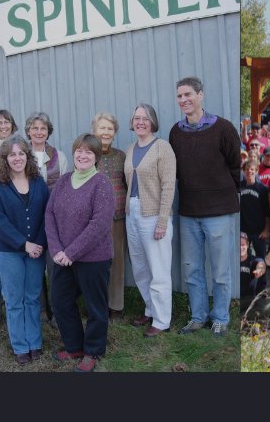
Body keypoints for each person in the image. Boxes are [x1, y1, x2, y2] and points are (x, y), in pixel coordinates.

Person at [168, 76, 241, 337]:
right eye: (179, 96)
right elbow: (176, 171)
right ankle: (197, 316)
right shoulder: (176, 132)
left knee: (221, 271)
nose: (184, 100)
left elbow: (236, 167)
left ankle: (220, 316)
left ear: (201, 95)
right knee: (192, 269)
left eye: (188, 94)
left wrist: (223, 194)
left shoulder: (223, 128)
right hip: (188, 212)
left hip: (219, 211)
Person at [44, 134, 116, 372]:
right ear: (73, 153)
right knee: (61, 302)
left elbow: (99, 224)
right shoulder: (63, 182)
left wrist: (71, 252)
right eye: (79, 151)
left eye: (89, 152)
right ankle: (74, 345)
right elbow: (50, 215)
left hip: (93, 258)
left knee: (96, 307)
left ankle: (93, 350)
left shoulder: (101, 184)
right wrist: (56, 249)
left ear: (96, 157)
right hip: (62, 257)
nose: (83, 155)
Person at [0, 136, 49, 364]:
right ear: (5, 159)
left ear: (27, 156)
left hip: (37, 250)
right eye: (12, 154)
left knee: (32, 298)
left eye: (21, 153)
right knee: (14, 300)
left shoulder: (38, 182)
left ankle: (34, 342)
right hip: (9, 251)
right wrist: (24, 244)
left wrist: (39, 244)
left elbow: (47, 215)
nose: (17, 158)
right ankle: (20, 346)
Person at [122, 103, 177, 337]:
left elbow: (168, 186)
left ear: (153, 121)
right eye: (136, 118)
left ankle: (162, 320)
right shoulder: (130, 149)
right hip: (131, 211)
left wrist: (162, 220)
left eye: (145, 118)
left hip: (153, 213)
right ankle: (150, 308)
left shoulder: (162, 148)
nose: (140, 121)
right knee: (141, 268)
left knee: (158, 268)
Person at [91, 112, 130, 320]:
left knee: (117, 262)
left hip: (118, 218)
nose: (105, 132)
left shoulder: (121, 156)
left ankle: (116, 306)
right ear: (94, 131)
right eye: (102, 128)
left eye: (109, 128)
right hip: (94, 220)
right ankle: (97, 304)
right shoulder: (87, 154)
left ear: (114, 133)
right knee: (96, 263)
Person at [239, 158, 270, 282]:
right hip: (243, 230)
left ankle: (262, 285)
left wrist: (266, 229)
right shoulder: (239, 187)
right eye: (247, 169)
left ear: (256, 171)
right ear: (243, 171)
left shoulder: (262, 189)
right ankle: (246, 284)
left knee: (260, 258)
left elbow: (267, 212)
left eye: (252, 169)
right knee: (243, 258)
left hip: (258, 231)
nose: (249, 172)